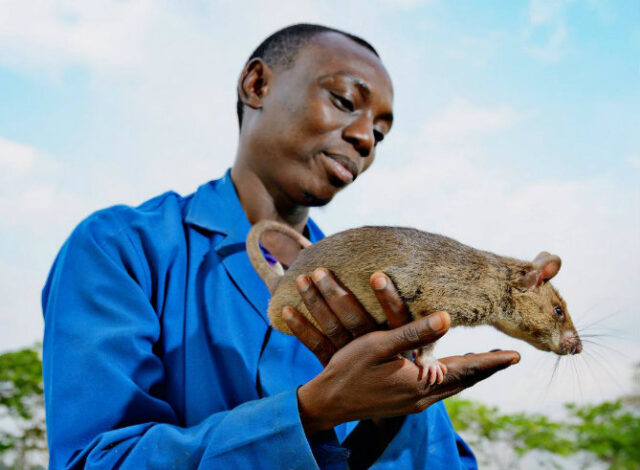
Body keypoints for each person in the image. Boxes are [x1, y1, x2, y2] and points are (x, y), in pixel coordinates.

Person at [42, 24, 520, 469]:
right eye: (344, 100)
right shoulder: (121, 247)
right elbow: (94, 459)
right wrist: (310, 413)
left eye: (379, 132)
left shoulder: (376, 289)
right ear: (256, 85)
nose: (364, 138)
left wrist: (396, 412)